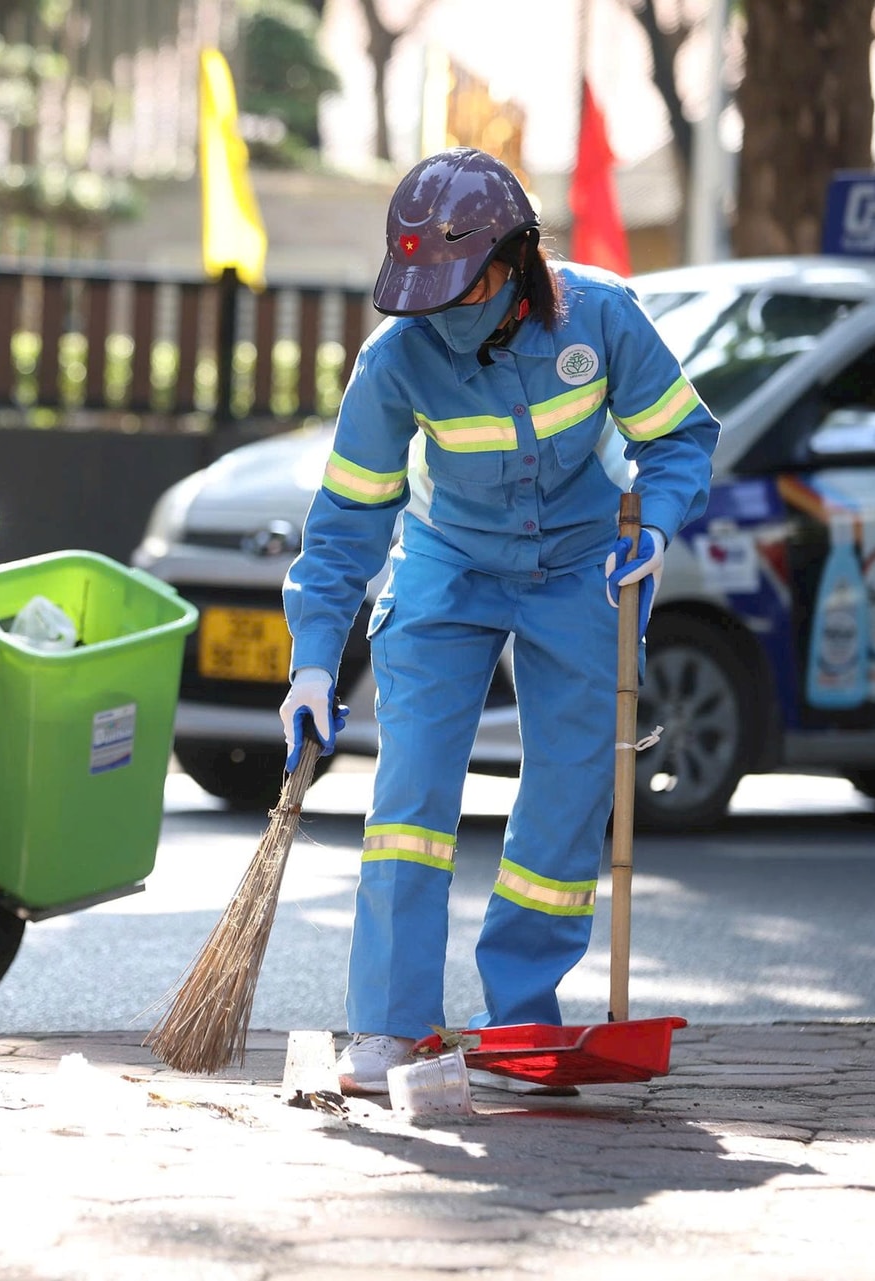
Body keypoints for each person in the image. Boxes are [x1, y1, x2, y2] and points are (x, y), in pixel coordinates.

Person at [278, 147, 719, 1096]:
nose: (440, 309)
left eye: (457, 284)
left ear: (513, 259)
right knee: (409, 803)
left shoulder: (602, 317)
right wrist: (313, 661)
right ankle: (393, 1028)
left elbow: (678, 436)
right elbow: (350, 516)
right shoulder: (396, 358)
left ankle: (521, 1019)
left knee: (567, 798)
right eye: (422, 290)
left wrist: (660, 525)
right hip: (449, 565)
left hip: (582, 569)